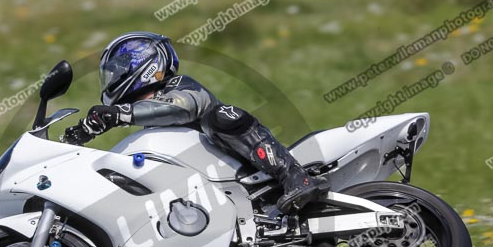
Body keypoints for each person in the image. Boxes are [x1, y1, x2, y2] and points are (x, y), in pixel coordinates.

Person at [64, 31, 329, 212]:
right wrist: (80, 135)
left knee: (222, 116)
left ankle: (294, 176)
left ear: (143, 64)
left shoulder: (179, 87)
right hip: (208, 191)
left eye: (118, 69)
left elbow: (182, 107)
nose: (113, 77)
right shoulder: (143, 121)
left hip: (245, 172)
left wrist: (120, 114)